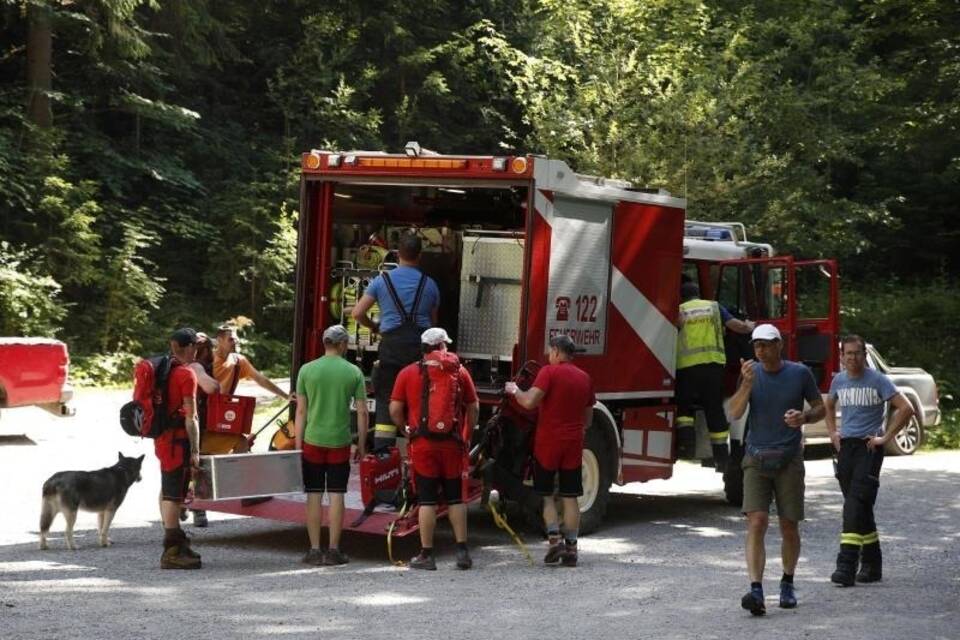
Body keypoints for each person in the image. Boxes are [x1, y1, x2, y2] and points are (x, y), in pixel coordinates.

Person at [727, 324, 824, 614]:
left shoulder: (799, 373)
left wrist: (804, 416)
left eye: (767, 344)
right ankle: (756, 590)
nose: (761, 350)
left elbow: (821, 407)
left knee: (788, 525)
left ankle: (787, 582)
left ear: (779, 345)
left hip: (789, 459)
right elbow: (733, 412)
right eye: (757, 345)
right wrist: (745, 385)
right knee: (756, 521)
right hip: (756, 458)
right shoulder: (750, 374)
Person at [825, 334, 914, 586]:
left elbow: (906, 407)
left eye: (857, 353)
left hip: (868, 448)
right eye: (848, 353)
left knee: (854, 504)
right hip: (846, 449)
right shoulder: (839, 381)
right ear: (841, 357)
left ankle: (846, 565)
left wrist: (885, 437)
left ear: (865, 355)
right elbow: (829, 406)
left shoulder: (878, 380)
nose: (852, 358)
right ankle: (872, 565)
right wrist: (833, 433)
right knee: (860, 507)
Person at [389, 327, 479, 570]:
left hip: (423, 445)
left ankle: (426, 555)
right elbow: (474, 407)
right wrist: (466, 435)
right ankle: (462, 552)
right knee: (455, 499)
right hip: (452, 444)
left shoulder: (408, 373)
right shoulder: (460, 372)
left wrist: (405, 428)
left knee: (427, 501)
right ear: (441, 346)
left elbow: (395, 410)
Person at [505, 334, 595, 568]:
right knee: (570, 496)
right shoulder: (585, 378)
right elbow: (588, 419)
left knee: (546, 496)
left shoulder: (549, 372)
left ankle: (554, 543)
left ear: (556, 351)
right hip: (573, 444)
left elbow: (529, 402)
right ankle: (572, 549)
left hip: (548, 444)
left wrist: (515, 390)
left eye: (549, 351)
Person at [353, 232, 440, 452]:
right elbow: (434, 328)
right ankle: (418, 453)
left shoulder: (382, 282)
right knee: (420, 402)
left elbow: (357, 313)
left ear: (397, 254)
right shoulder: (430, 286)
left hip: (390, 350)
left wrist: (375, 327)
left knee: (386, 401)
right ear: (419, 256)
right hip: (419, 353)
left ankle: (383, 458)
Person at [295, 324, 369, 566]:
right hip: (339, 441)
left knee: (314, 495)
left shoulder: (306, 370)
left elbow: (301, 410)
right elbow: (361, 412)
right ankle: (334, 550)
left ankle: (314, 550)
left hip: (312, 440)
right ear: (342, 344)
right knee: (337, 495)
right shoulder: (354, 372)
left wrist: (298, 444)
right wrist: (361, 442)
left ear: (325, 343)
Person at [675, 281, 754, 471]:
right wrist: (750, 327)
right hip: (713, 366)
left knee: (684, 407)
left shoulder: (679, 309)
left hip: (687, 368)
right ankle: (721, 457)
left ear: (682, 296)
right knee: (714, 409)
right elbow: (735, 326)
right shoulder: (713, 307)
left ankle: (687, 446)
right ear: (698, 294)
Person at [202, 323, 292, 456]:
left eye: (236, 339)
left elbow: (261, 379)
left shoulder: (238, 361)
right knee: (204, 456)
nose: (235, 342)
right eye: (231, 339)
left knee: (241, 443)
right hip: (204, 415)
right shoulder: (208, 360)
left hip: (223, 415)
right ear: (219, 340)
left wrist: (286, 396)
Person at [156, 327, 203, 569]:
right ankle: (171, 550)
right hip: (178, 442)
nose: (197, 350)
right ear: (189, 347)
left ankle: (176, 542)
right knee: (174, 494)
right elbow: (191, 417)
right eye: (195, 346)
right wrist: (195, 450)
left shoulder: (162, 369)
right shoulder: (186, 375)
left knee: (168, 489)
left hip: (162, 439)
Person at [184, 332, 221, 528]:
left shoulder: (176, 363)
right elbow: (211, 388)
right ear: (204, 350)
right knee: (196, 464)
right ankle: (198, 509)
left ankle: (176, 507)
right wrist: (217, 383)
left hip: (174, 422)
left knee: (176, 467)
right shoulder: (197, 366)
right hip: (193, 421)